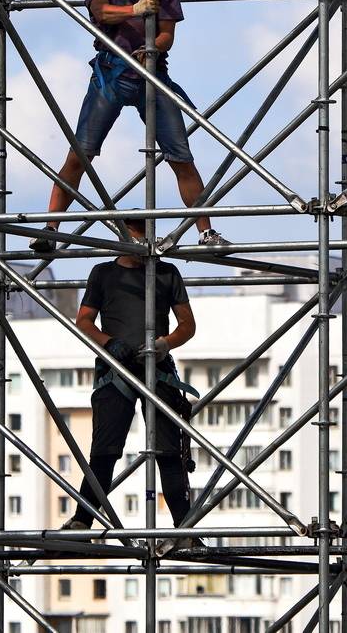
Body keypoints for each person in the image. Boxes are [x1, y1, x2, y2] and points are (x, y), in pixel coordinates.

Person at [32, 0, 228, 254]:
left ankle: (206, 231)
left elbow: (167, 34)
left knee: (181, 157)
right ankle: (50, 228)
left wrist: (153, 48)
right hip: (111, 72)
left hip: (152, 73)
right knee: (80, 154)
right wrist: (135, 10)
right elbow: (100, 12)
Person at [59, 217, 200, 545]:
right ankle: (82, 520)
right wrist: (109, 343)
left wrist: (165, 343)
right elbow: (84, 321)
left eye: (145, 236)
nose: (142, 244)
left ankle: (184, 530)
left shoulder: (166, 272)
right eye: (136, 236)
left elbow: (187, 324)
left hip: (157, 369)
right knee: (105, 451)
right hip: (116, 370)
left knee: (168, 452)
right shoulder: (103, 274)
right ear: (123, 237)